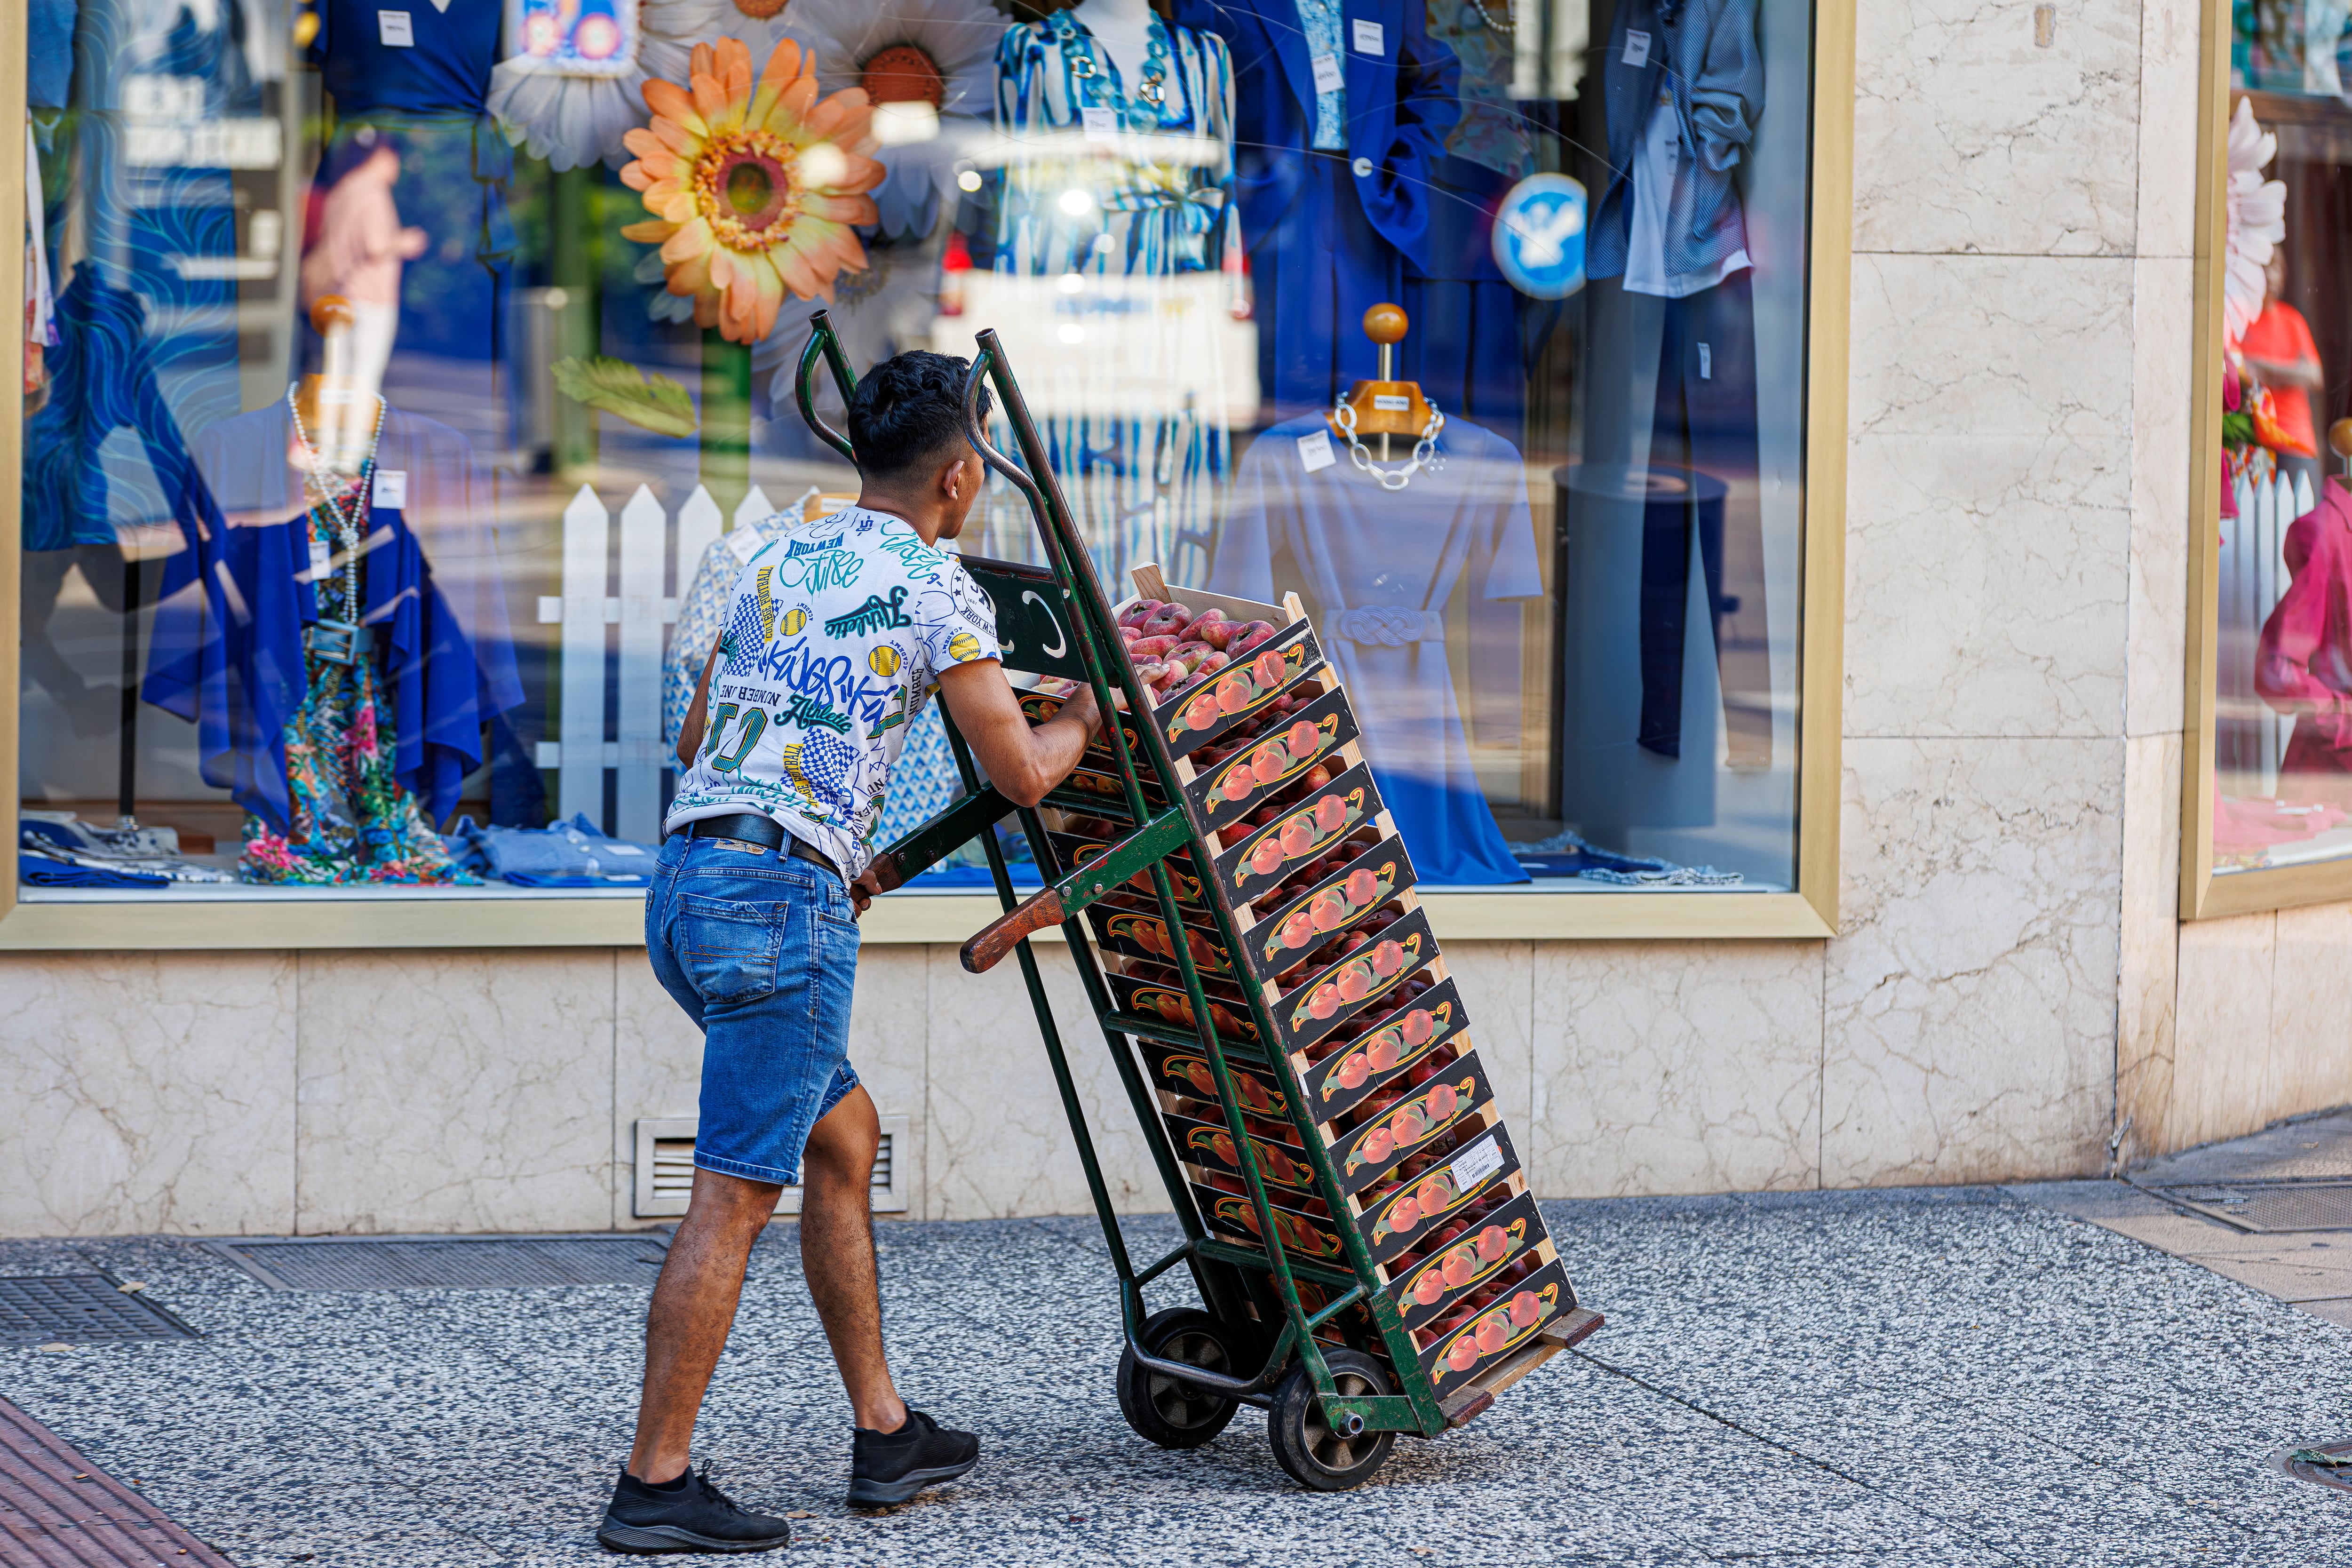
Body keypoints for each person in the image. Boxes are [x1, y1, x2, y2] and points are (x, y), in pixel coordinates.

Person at [597, 350, 1103, 1555]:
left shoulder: (776, 550)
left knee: (845, 1134)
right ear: (963, 476)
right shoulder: (936, 584)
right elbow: (1024, 777)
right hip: (781, 906)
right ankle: (653, 1486)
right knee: (732, 1195)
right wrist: (1086, 712)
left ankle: (885, 1432)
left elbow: (696, 726)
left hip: (685, 884)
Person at [2242, 248, 2327, 502]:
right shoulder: (2238, 322)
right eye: (2263, 267)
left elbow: (2314, 376)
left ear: (2284, 274)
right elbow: (2230, 369)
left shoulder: (2293, 322)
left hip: (2296, 440)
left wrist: (2264, 368)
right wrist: (2290, 371)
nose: (2269, 275)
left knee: (2305, 527)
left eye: (2275, 267)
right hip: (2251, 442)